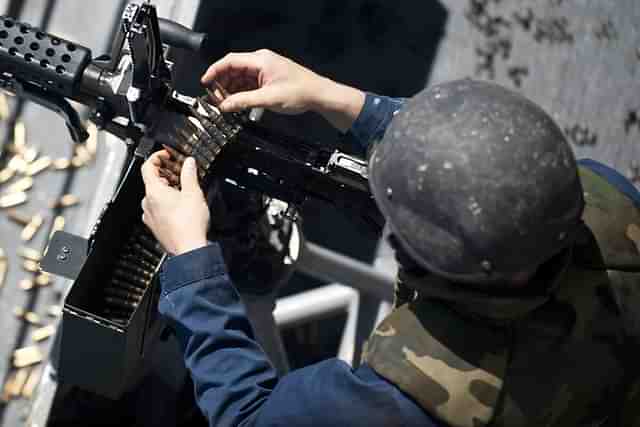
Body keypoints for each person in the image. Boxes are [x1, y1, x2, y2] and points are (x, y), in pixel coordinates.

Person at [140, 49, 640, 426]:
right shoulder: (607, 199)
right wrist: (334, 96)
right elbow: (489, 166)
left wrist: (191, 260)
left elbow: (249, 416)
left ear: (409, 255)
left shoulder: (414, 395)